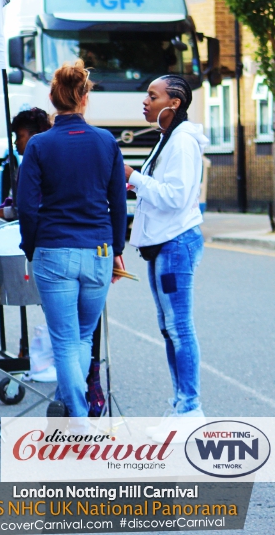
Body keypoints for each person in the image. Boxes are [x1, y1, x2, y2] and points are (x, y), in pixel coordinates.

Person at [15, 59, 127, 420]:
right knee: (81, 338)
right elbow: (119, 202)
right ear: (84, 97)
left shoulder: (39, 145)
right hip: (98, 249)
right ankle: (72, 410)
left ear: (53, 97)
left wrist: (31, 248)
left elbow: (27, 207)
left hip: (54, 248)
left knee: (63, 341)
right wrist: (118, 250)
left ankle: (77, 420)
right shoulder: (106, 142)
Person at [125, 75, 208, 430]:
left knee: (179, 327)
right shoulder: (168, 138)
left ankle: (190, 407)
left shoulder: (183, 143)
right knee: (169, 327)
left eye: (152, 96)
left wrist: (132, 176)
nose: (145, 102)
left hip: (176, 244)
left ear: (173, 104)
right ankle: (181, 406)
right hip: (164, 245)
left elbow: (175, 197)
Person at [0, 107, 52, 219]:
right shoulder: (27, 165)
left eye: (19, 136)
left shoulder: (41, 166)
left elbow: (29, 207)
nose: (16, 142)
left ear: (34, 136)